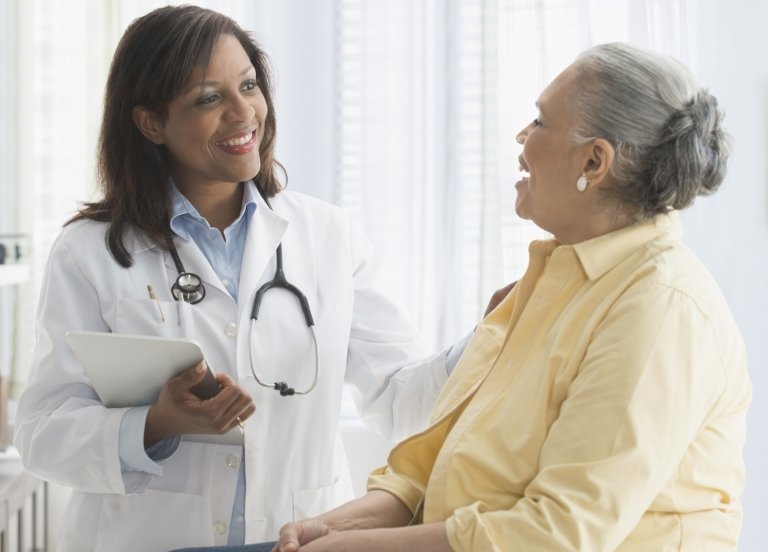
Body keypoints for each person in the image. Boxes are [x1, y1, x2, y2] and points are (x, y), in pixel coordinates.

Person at [205, 42, 749, 551]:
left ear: (593, 163)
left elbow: (557, 532)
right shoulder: (550, 281)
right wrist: (337, 523)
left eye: (540, 121)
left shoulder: (660, 309)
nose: (521, 138)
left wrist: (359, 547)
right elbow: (429, 463)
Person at [12, 6, 467, 552]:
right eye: (209, 98)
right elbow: (42, 431)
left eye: (249, 85)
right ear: (151, 122)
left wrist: (493, 336)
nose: (243, 113)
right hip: (148, 538)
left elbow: (400, 396)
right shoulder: (89, 252)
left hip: (295, 534)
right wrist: (154, 424)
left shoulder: (327, 235)